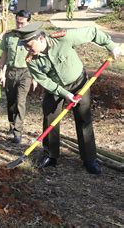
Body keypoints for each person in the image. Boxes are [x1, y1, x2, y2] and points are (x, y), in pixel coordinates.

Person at [16, 22, 121, 174]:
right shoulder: (31, 60)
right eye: (25, 46)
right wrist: (65, 94)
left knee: (83, 119)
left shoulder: (63, 39)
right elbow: (44, 80)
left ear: (40, 38)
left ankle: (89, 159)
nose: (27, 49)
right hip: (56, 90)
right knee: (50, 117)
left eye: (29, 44)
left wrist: (110, 45)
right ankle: (50, 155)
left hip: (79, 83)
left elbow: (92, 31)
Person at [0, 10, 37, 144]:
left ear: (28, 22)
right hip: (10, 72)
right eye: (17, 22)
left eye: (22, 23)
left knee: (20, 101)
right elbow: (4, 54)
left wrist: (36, 77)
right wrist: (1, 72)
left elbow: (37, 57)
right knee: (11, 102)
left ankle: (17, 132)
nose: (19, 25)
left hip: (26, 72)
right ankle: (11, 124)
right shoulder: (9, 36)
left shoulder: (33, 36)